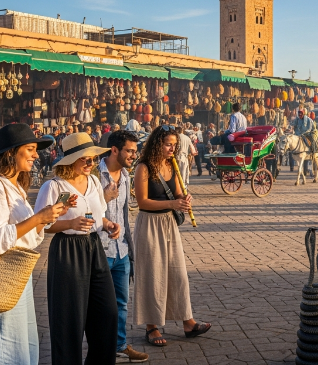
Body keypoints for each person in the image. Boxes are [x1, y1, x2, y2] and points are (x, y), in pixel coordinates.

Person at [0, 124, 65, 365]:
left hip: (17, 275)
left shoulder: (14, 187)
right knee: (3, 348)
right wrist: (37, 218)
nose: (36, 155)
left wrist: (45, 218)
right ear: (11, 152)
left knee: (22, 346)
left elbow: (28, 237)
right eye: (30, 149)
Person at [34, 132, 121, 364]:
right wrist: (70, 224)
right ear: (71, 160)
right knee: (68, 319)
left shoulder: (94, 182)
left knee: (107, 313)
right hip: (67, 250)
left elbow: (97, 214)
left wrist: (107, 224)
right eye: (85, 158)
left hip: (94, 247)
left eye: (93, 158)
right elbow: (41, 225)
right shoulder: (54, 186)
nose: (91, 162)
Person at [133, 125, 211, 347]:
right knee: (152, 275)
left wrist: (184, 199)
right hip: (150, 224)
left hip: (168, 224)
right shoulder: (143, 167)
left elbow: (177, 193)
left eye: (174, 145)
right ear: (158, 144)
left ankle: (188, 322)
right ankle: (151, 326)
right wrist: (173, 204)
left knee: (178, 274)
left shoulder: (171, 165)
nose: (172, 149)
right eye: (168, 144)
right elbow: (142, 202)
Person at [98, 130, 150, 363]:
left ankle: (119, 345)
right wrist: (104, 197)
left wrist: (130, 247)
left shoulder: (126, 176)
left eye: (134, 151)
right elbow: (86, 210)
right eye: (129, 151)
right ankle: (100, 350)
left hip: (121, 250)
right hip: (100, 249)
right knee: (100, 305)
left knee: (121, 303)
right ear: (114, 150)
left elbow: (125, 216)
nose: (133, 155)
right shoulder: (94, 175)